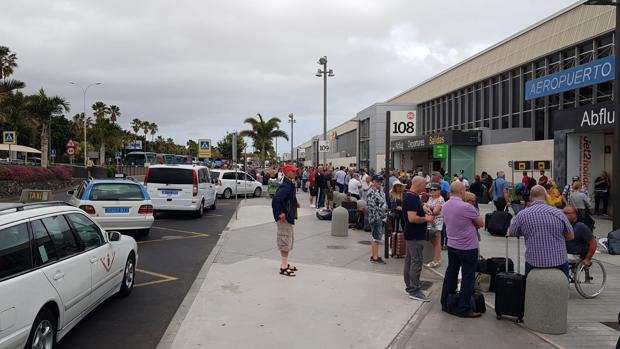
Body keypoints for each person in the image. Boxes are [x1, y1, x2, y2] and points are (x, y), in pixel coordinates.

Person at [508, 185, 574, 278]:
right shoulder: (559, 213)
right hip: (558, 262)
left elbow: (512, 232)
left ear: (530, 197)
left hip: (534, 263)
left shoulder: (522, 214)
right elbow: (571, 236)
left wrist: (525, 231)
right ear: (546, 196)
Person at [440, 181, 484, 318]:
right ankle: (464, 308)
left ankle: (445, 302)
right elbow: (481, 223)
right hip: (468, 247)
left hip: (452, 244)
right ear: (461, 191)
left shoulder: (445, 205)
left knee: (451, 273)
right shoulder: (466, 207)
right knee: (467, 277)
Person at [403, 176, 434, 302]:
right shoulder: (411, 198)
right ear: (418, 184)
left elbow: (416, 204)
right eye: (424, 185)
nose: (425, 187)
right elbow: (412, 218)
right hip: (415, 235)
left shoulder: (412, 196)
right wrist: (426, 219)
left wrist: (423, 206)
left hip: (413, 235)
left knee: (410, 261)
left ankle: (411, 285)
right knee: (416, 262)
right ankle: (414, 290)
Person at [271, 165, 300, 277]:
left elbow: (290, 197)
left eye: (295, 171)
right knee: (284, 241)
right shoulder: (286, 186)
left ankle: (285, 263)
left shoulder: (289, 184)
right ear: (287, 172)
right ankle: (283, 267)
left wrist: (295, 203)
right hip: (284, 218)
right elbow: (276, 200)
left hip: (288, 217)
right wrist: (279, 213)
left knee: (288, 240)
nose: (295, 173)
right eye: (293, 171)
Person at [367, 175, 387, 263]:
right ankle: (374, 257)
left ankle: (375, 256)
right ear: (373, 182)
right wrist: (377, 218)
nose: (379, 183)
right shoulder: (371, 192)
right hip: (376, 218)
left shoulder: (380, 191)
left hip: (382, 217)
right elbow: (371, 207)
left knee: (377, 237)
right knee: (375, 237)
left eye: (380, 181)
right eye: (377, 181)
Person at [424, 183, 445, 268]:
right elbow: (426, 205)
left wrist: (426, 209)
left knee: (436, 242)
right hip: (430, 222)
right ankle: (436, 259)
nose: (432, 191)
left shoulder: (440, 199)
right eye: (431, 190)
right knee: (433, 241)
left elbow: (435, 212)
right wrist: (426, 207)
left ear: (439, 191)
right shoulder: (431, 198)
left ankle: (437, 260)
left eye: (434, 190)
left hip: (437, 223)